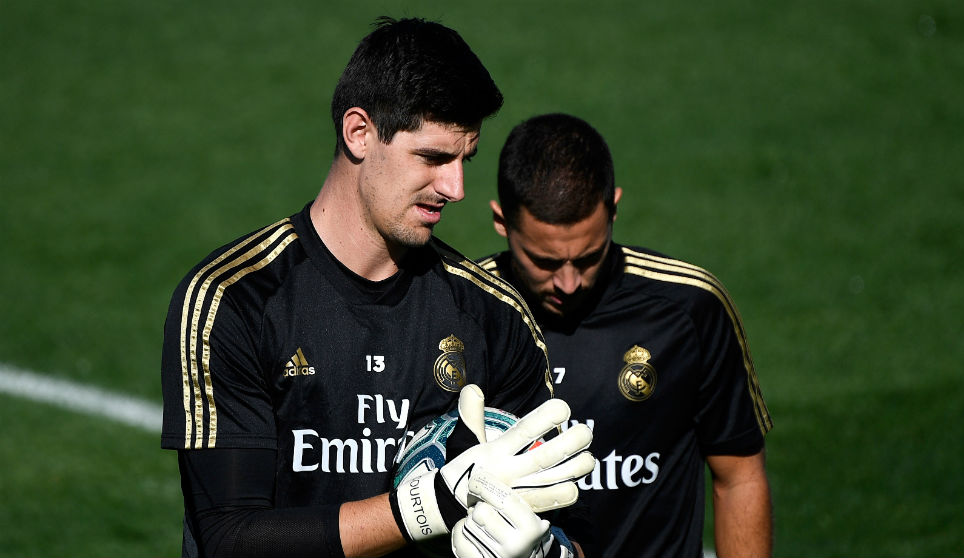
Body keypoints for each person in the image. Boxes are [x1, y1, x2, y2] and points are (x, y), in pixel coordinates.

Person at [160, 20, 591, 558]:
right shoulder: (234, 299)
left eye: (465, 161)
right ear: (359, 132)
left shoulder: (493, 314)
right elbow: (231, 539)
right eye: (434, 158)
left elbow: (571, 534)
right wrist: (427, 506)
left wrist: (540, 553)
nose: (455, 188)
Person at [479, 113, 775, 557]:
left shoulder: (689, 309)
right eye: (544, 262)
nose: (568, 283)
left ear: (614, 208)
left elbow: (738, 478)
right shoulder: (464, 309)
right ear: (502, 222)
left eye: (587, 257)